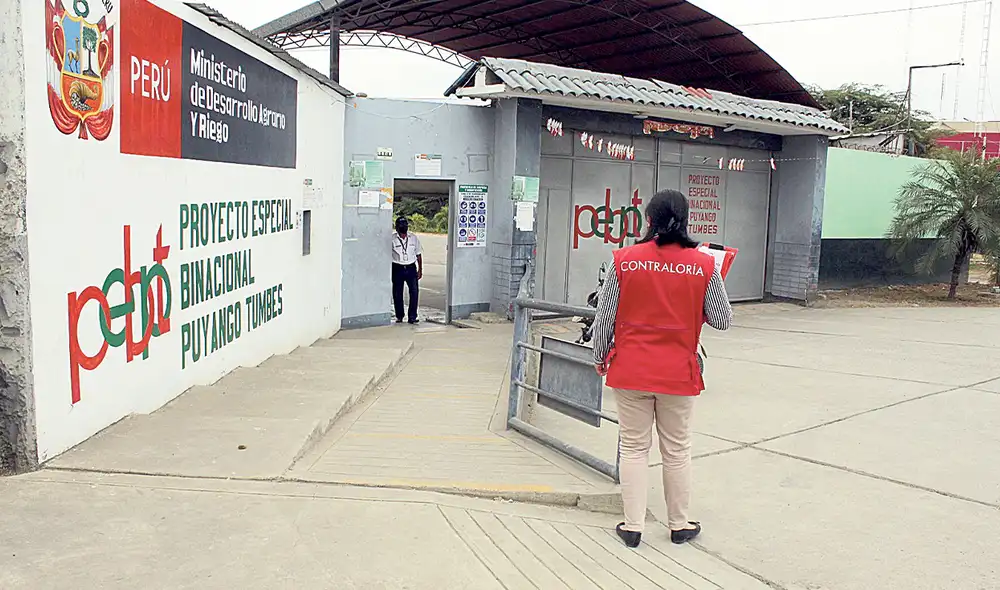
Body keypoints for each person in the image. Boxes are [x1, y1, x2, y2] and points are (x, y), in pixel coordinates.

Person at [591, 189, 733, 548]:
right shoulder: (704, 265)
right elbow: (721, 320)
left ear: (648, 219)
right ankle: (679, 525)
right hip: (678, 373)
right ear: (686, 220)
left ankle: (634, 527)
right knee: (677, 449)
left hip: (631, 370)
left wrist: (598, 356)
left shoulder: (624, 260)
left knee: (635, 448)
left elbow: (605, 317)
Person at [391, 216, 423, 324]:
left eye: (405, 226)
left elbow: (418, 254)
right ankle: (399, 315)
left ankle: (412, 316)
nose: (403, 228)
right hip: (397, 268)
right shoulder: (392, 239)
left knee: (414, 292)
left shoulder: (413, 238)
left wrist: (420, 270)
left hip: (410, 268)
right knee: (397, 293)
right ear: (397, 228)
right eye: (401, 226)